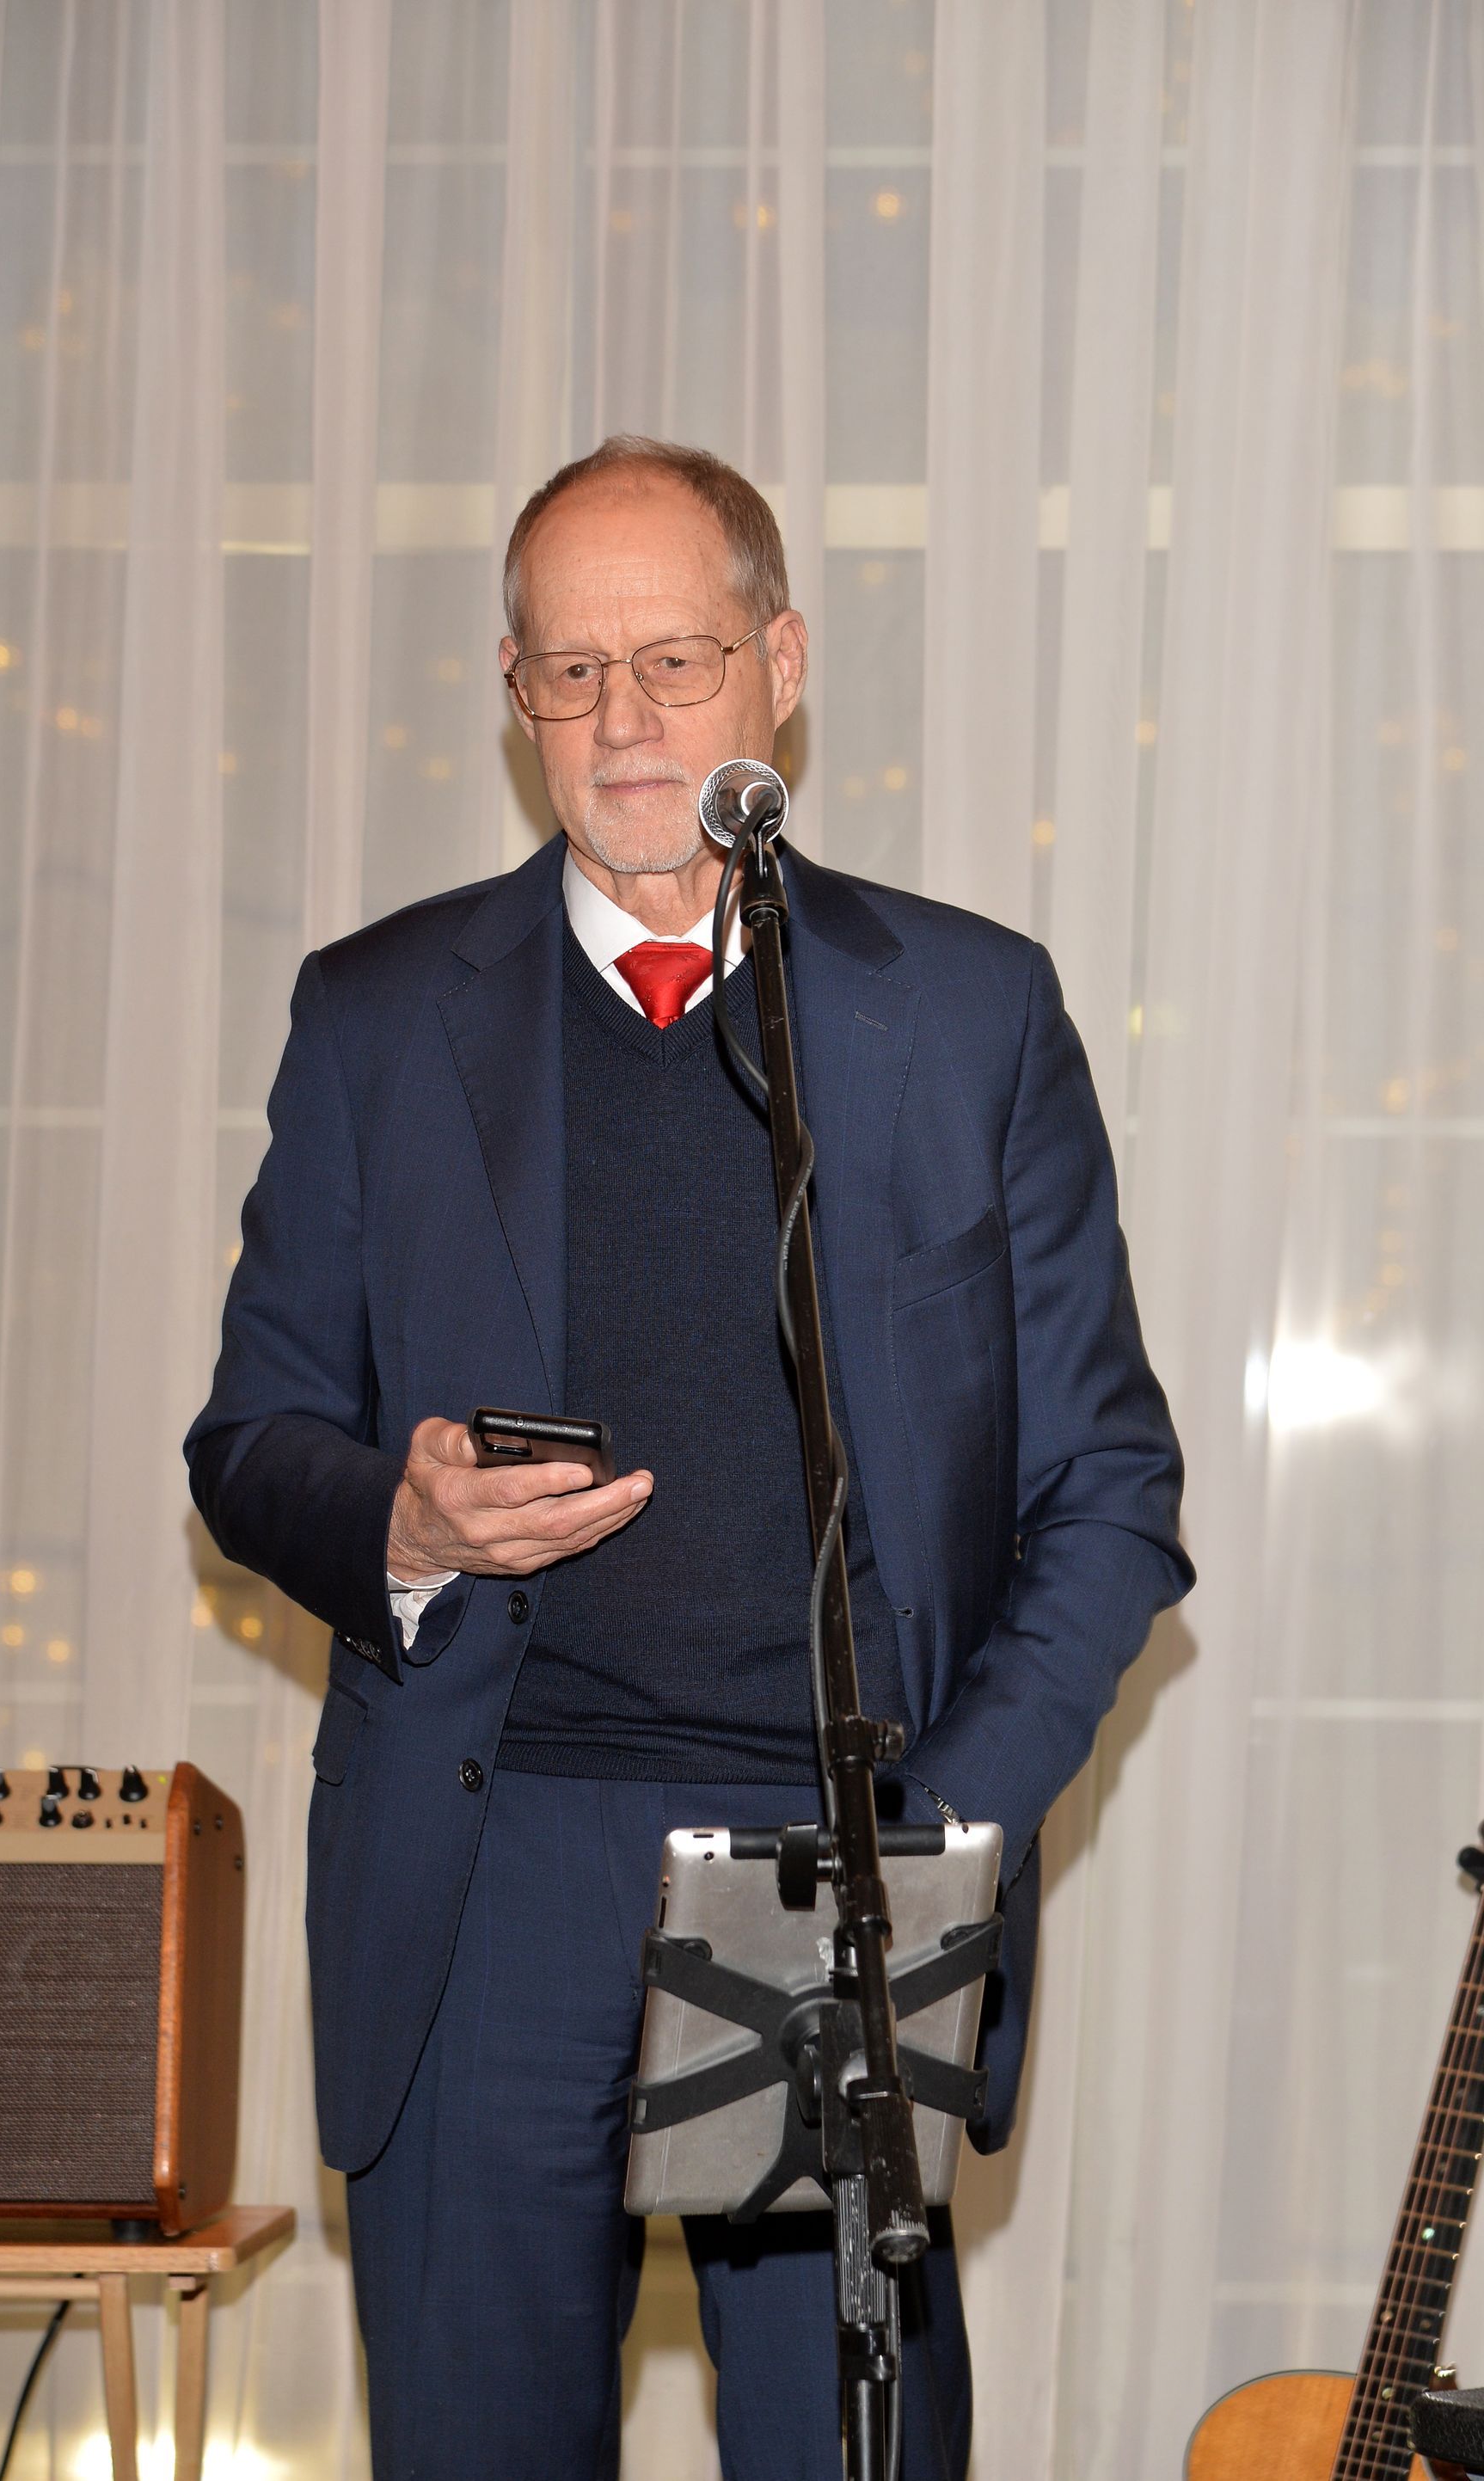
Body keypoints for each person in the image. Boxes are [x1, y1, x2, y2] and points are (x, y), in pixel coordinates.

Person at [186, 434, 1192, 2480]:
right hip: (488, 1866)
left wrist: (938, 1833)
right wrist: (399, 1520)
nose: (625, 718)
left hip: (836, 1858)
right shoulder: (377, 1018)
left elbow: (1108, 1498)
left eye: (676, 659)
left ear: (780, 664)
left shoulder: (966, 1016)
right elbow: (248, 1439)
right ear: (515, 692)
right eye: (573, 671)